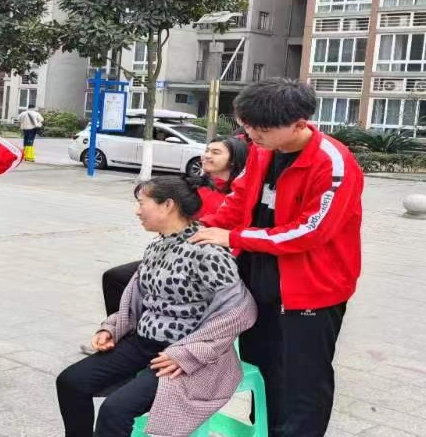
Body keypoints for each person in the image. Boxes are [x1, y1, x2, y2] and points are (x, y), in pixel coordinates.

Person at [189, 79, 363, 437]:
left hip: (310, 285)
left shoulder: (332, 163)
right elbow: (240, 199)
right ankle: (268, 429)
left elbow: (311, 231)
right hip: (259, 271)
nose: (252, 136)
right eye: (248, 126)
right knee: (262, 362)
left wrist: (233, 237)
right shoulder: (261, 149)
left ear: (299, 124)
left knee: (303, 378)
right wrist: (204, 227)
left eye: (263, 129)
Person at [56, 176, 257, 437]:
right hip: (143, 343)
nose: (137, 210)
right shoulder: (157, 245)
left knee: (115, 410)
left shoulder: (208, 252)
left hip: (184, 353)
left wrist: (187, 353)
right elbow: (137, 300)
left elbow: (239, 311)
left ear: (167, 205)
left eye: (142, 203)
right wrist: (111, 328)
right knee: (71, 383)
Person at [98, 136, 248, 328]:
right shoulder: (192, 187)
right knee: (116, 277)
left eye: (216, 152)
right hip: (180, 251)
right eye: (207, 150)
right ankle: (123, 327)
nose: (207, 156)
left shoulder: (243, 194)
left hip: (216, 257)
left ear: (234, 160)